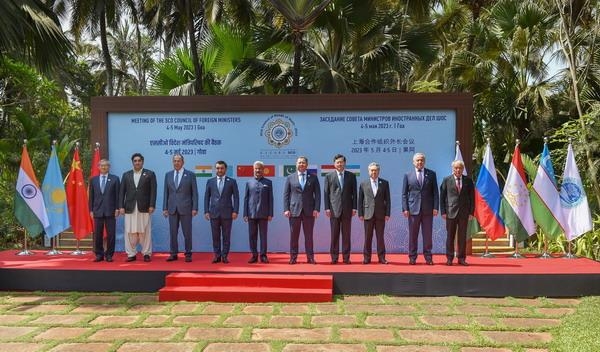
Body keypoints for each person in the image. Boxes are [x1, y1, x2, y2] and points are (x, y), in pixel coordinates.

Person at [118, 153, 157, 262]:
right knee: (130, 231)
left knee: (145, 230)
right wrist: (121, 206)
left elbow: (153, 192)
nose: (137, 162)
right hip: (129, 207)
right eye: (135, 161)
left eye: (139, 160)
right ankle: (131, 254)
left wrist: (152, 205)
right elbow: (122, 192)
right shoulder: (126, 175)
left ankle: (146, 253)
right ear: (132, 162)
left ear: (142, 162)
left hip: (144, 207)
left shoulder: (150, 174)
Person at [402, 152, 439, 265]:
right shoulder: (408, 175)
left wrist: (435, 207)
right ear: (414, 162)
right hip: (413, 210)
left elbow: (435, 193)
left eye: (421, 160)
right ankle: (412, 257)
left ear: (424, 161)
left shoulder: (431, 174)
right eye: (417, 160)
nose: (420, 162)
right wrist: (405, 208)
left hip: (428, 210)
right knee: (413, 235)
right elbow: (404, 194)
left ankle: (428, 257)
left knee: (427, 235)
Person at [283, 156, 321, 264]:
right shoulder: (290, 177)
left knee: (309, 236)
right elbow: (286, 195)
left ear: (307, 165)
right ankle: (293, 257)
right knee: (294, 236)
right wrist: (286, 209)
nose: (301, 164)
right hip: (294, 211)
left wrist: (316, 209)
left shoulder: (313, 177)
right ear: (296, 164)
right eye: (299, 163)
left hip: (309, 211)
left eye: (303, 163)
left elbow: (317, 194)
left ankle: (310, 257)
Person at [163, 153, 198, 262]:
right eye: (174, 161)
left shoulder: (190, 175)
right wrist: (165, 208)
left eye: (178, 161)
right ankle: (173, 253)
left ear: (183, 162)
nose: (176, 163)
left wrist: (195, 208)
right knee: (173, 232)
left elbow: (195, 193)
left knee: (187, 232)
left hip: (186, 208)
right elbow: (166, 193)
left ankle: (188, 253)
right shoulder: (168, 175)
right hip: (172, 208)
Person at [440, 160, 475, 266]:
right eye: (456, 168)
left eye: (460, 168)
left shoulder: (468, 181)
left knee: (462, 237)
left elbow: (472, 198)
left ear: (463, 169)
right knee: (450, 236)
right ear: (453, 169)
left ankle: (461, 258)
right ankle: (449, 258)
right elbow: (442, 197)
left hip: (464, 213)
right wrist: (443, 211)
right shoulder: (446, 180)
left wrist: (471, 212)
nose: (458, 170)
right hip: (450, 212)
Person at [324, 154, 357, 264]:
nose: (339, 164)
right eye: (337, 162)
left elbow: (354, 193)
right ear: (334, 164)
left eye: (341, 162)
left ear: (345, 163)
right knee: (334, 235)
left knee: (346, 235)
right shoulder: (329, 176)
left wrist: (354, 207)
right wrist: (327, 208)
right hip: (334, 209)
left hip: (347, 209)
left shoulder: (351, 176)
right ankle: (334, 257)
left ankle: (346, 258)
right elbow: (326, 194)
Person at [204, 160, 239, 264]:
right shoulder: (210, 181)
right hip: (214, 213)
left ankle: (224, 256)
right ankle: (217, 256)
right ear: (215, 169)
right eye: (218, 168)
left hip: (227, 213)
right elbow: (207, 197)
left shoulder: (232, 181)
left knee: (226, 236)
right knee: (215, 236)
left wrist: (235, 211)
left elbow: (236, 197)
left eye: (222, 168)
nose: (220, 170)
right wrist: (206, 211)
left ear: (225, 169)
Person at [358, 162, 391, 264]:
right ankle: (367, 258)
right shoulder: (363, 183)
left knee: (380, 237)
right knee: (368, 237)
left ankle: (381, 257)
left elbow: (388, 200)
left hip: (381, 214)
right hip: (368, 214)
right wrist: (360, 213)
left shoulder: (385, 183)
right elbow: (360, 200)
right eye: (372, 170)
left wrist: (387, 213)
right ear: (368, 171)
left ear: (378, 171)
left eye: (375, 170)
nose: (374, 172)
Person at [89, 159, 120, 262]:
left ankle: (109, 255)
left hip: (110, 211)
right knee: (98, 234)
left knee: (111, 234)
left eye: (106, 165)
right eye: (102, 166)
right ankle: (99, 254)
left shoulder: (115, 179)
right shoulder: (93, 180)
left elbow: (117, 196)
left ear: (109, 167)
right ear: (98, 167)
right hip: (97, 211)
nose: (103, 167)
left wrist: (117, 208)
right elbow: (91, 197)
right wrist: (91, 210)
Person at [243, 161, 274, 264]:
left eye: (260, 168)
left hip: (264, 214)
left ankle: (263, 256)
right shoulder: (249, 182)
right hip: (251, 214)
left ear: (263, 169)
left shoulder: (268, 182)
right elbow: (246, 199)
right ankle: (254, 255)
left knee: (263, 236)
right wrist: (245, 213)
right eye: (256, 168)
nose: (258, 170)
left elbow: (271, 199)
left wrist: (270, 213)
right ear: (253, 169)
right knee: (252, 236)